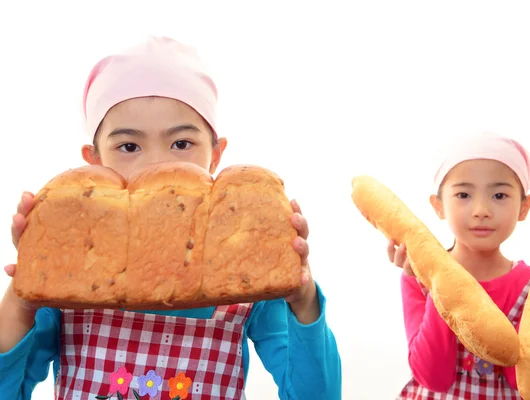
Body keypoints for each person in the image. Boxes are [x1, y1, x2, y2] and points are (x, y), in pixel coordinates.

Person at [0, 36, 342, 400]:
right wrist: (24, 295)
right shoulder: (70, 286)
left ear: (215, 156)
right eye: (129, 146)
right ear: (95, 162)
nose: (157, 165)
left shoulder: (248, 285)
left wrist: (302, 299)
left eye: (181, 143)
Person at [387, 132, 530, 399]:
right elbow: (433, 376)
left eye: (499, 195)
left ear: (524, 207)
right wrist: (438, 285)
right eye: (463, 194)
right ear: (438, 205)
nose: (481, 209)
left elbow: (522, 382)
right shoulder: (417, 277)